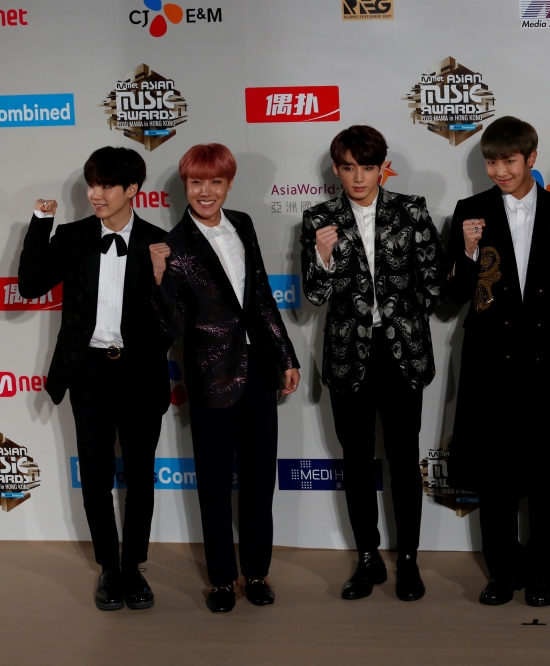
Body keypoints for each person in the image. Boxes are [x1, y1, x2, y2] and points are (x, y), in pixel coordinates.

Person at [17, 147, 170, 611]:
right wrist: (40, 224)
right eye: (92, 184)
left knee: (141, 477)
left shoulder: (160, 241)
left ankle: (133, 570)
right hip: (89, 373)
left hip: (140, 374)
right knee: (97, 476)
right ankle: (108, 568)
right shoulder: (72, 235)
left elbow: (175, 323)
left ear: (132, 191)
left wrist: (162, 279)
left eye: (105, 185)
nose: (95, 194)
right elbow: (29, 285)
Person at [150, 143, 300, 613]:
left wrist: (286, 355)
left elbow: (261, 301)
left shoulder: (244, 224)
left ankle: (255, 573)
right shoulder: (170, 246)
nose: (206, 192)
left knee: (259, 480)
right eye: (197, 183)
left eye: (215, 182)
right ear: (185, 187)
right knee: (215, 484)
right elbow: (168, 328)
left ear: (229, 183)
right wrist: (155, 280)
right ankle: (220, 580)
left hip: (257, 372)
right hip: (210, 376)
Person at [299, 125, 446, 602]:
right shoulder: (319, 217)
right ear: (337, 169)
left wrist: (402, 312)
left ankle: (408, 559)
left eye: (366, 167)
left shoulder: (412, 209)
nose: (358, 178)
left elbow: (434, 287)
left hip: (402, 355)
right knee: (357, 462)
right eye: (347, 168)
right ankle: (367, 559)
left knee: (404, 461)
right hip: (347, 358)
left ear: (381, 166)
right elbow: (314, 296)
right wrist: (323, 258)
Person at [446, 116, 550, 607]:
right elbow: (454, 294)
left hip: (548, 366)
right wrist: (468, 248)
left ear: (531, 159)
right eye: (491, 161)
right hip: (491, 365)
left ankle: (544, 572)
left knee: (548, 478)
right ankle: (502, 571)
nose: (499, 170)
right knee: (495, 476)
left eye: (509, 161)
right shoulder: (469, 211)